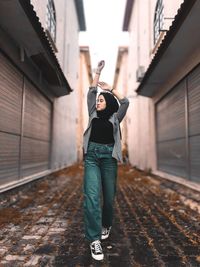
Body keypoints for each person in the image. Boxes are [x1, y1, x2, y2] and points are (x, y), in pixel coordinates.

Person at [83, 60, 129, 261]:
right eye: (98, 99)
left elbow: (125, 102)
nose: (99, 101)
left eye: (102, 100)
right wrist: (97, 73)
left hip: (109, 158)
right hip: (92, 157)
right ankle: (94, 240)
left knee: (109, 199)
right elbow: (92, 91)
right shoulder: (92, 113)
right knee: (92, 197)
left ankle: (106, 224)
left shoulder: (115, 118)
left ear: (109, 103)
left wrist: (111, 90)